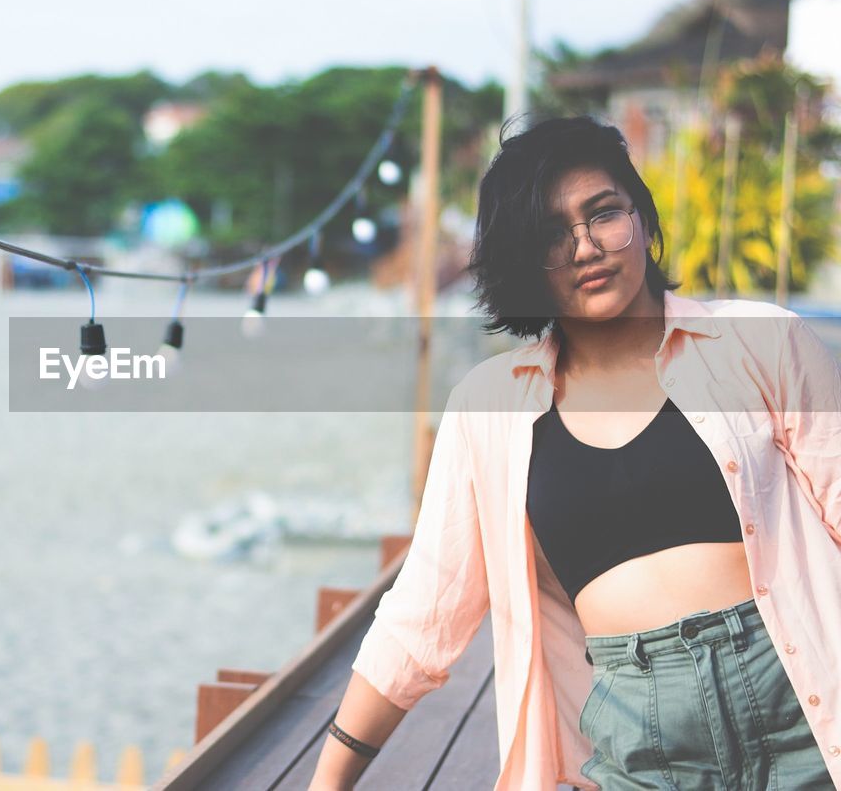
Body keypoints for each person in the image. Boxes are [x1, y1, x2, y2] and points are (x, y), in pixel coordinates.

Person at [309, 116, 841, 790]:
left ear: (642, 220)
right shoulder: (489, 409)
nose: (586, 247)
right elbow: (425, 612)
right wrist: (327, 781)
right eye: (552, 236)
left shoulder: (763, 342)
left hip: (806, 705)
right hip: (641, 744)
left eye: (604, 213)